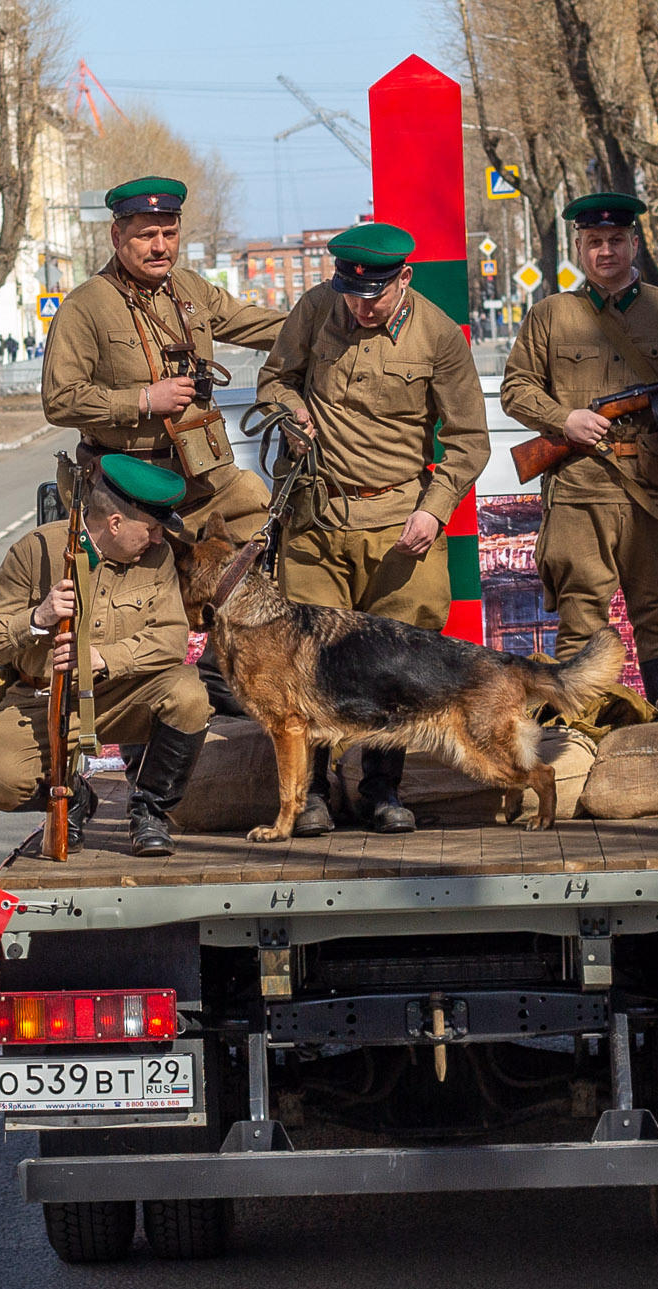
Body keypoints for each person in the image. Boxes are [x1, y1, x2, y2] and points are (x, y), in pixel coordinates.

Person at [254, 221, 491, 835]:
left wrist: (433, 508)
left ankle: (383, 790)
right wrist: (291, 408)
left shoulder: (439, 335)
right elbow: (274, 378)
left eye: (374, 295)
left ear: (403, 279)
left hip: (398, 527)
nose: (360, 305)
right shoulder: (316, 308)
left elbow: (469, 440)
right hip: (317, 518)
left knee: (396, 662)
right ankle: (310, 795)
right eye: (351, 293)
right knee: (309, 661)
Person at [42, 175, 290, 719]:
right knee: (139, 596)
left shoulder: (191, 292)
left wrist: (329, 316)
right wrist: (142, 400)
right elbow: (59, 401)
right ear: (117, 235)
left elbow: (257, 323)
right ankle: (140, 704)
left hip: (201, 474)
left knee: (259, 523)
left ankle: (233, 667)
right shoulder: (85, 308)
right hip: (128, 485)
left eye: (169, 233)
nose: (160, 247)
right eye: (147, 234)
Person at [499, 192, 658, 705]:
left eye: (616, 240)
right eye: (594, 241)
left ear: (635, 243)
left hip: (657, 491)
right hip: (580, 489)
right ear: (579, 246)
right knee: (579, 622)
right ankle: (582, 741)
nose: (606, 251)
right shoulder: (550, 315)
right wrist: (565, 419)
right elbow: (517, 388)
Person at [0, 454, 211, 857]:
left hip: (120, 695)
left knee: (188, 696)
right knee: (0, 781)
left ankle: (149, 810)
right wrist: (36, 618)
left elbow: (171, 639)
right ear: (115, 523)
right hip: (42, 698)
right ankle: (74, 797)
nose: (156, 539)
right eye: (150, 529)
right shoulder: (37, 551)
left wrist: (104, 658)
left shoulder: (157, 558)